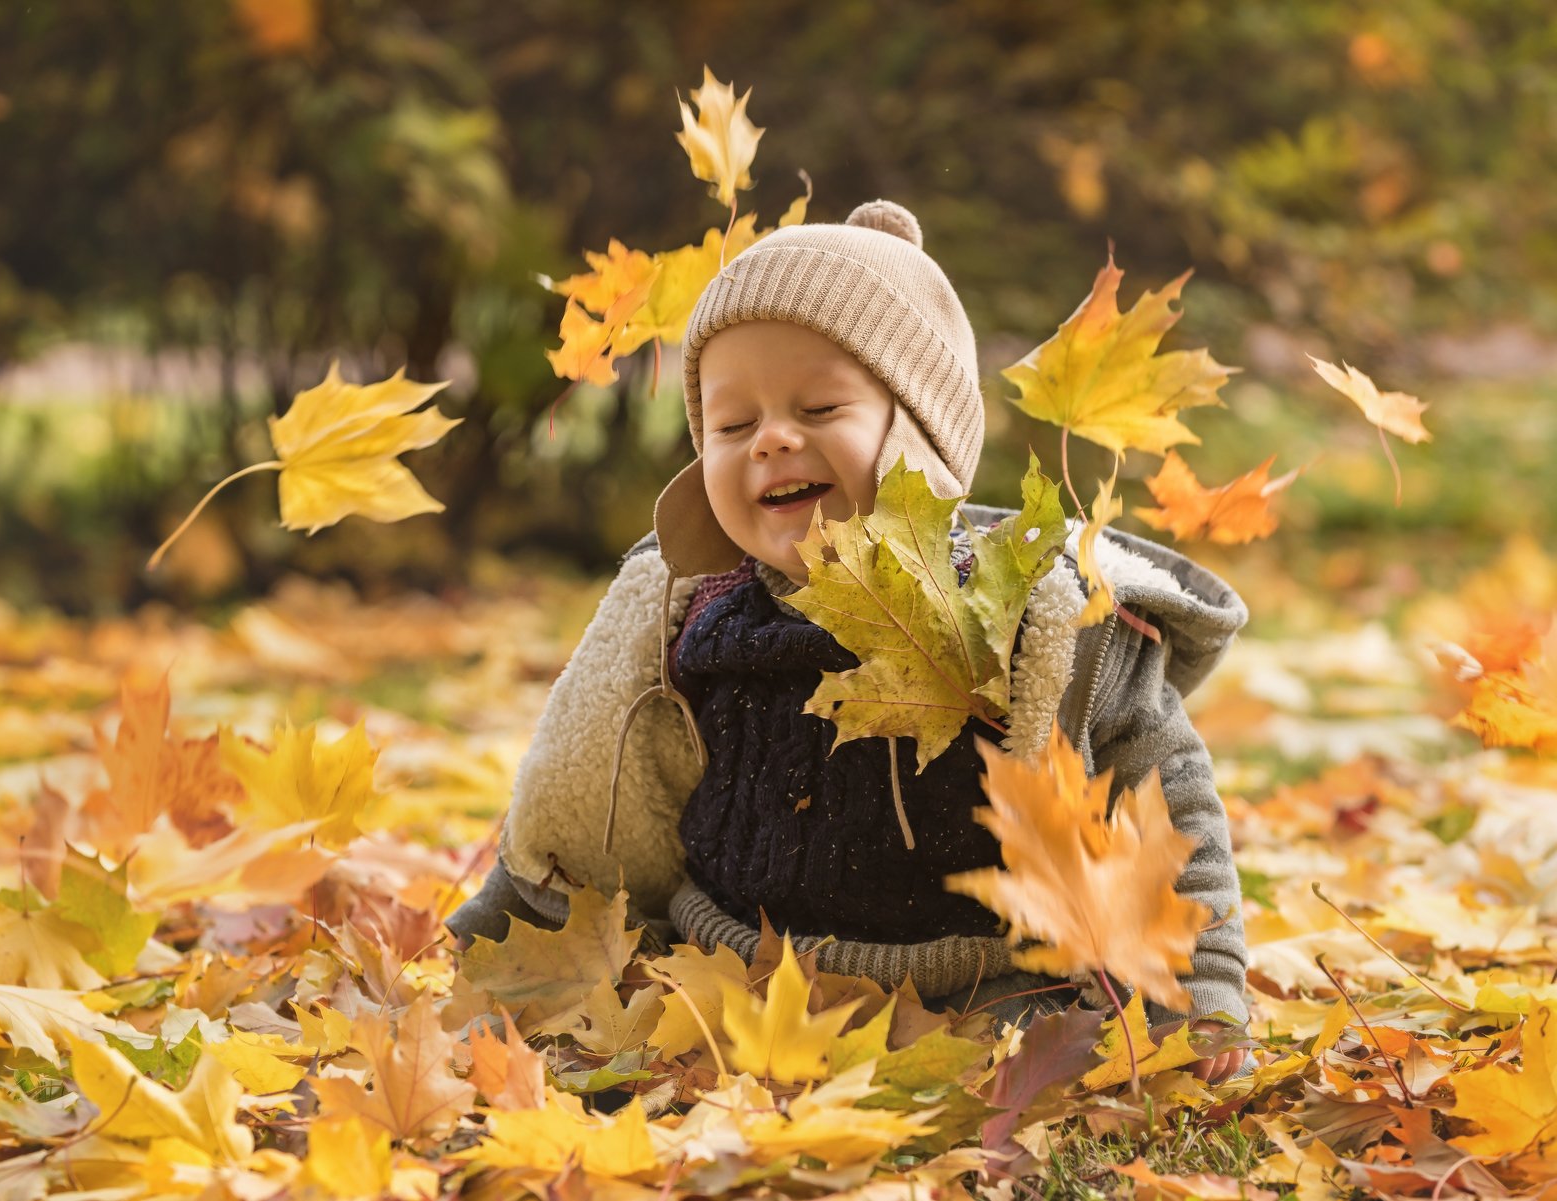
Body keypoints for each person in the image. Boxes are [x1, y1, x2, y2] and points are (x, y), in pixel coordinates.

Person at [447, 200, 1253, 1083]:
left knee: (1029, 1079)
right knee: (636, 1077)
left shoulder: (1029, 622)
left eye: (820, 405)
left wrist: (1198, 997)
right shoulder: (695, 620)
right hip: (731, 991)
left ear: (920, 431)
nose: (773, 439)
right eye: (731, 424)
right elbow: (580, 810)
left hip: (981, 1000)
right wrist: (489, 947)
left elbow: (1163, 804)